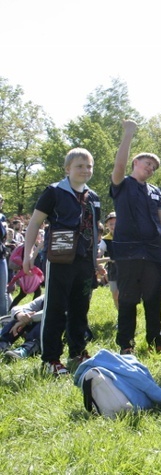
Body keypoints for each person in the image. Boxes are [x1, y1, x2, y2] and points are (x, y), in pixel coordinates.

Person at [23, 147, 101, 376]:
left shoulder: (93, 197)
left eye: (89, 166)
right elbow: (35, 223)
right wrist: (28, 253)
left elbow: (95, 232)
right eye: (79, 166)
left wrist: (95, 261)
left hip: (85, 261)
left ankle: (77, 351)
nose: (85, 170)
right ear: (67, 169)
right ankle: (51, 359)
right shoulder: (54, 192)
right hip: (59, 259)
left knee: (81, 308)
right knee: (55, 308)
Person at [110, 120, 161, 355]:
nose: (150, 168)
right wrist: (128, 135)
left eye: (153, 167)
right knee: (128, 299)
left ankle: (157, 342)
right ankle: (126, 345)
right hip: (128, 252)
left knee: (154, 299)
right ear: (135, 163)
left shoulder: (155, 192)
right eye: (147, 164)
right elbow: (118, 166)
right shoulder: (122, 184)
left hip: (151, 253)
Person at [0, 295, 44, 360]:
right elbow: (19, 308)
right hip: (31, 327)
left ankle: (27, 349)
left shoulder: (63, 297)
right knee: (17, 319)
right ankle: (2, 343)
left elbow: (52, 312)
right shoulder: (45, 297)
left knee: (48, 321)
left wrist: (29, 319)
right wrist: (20, 315)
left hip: (49, 334)